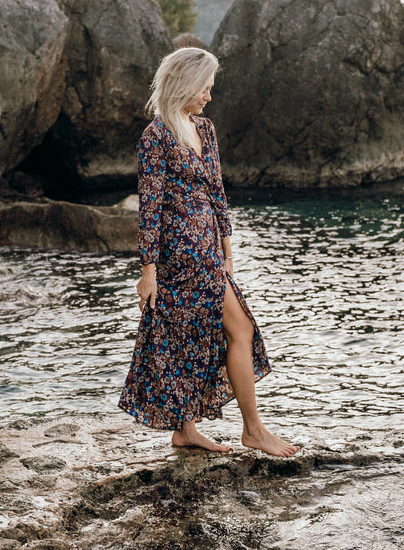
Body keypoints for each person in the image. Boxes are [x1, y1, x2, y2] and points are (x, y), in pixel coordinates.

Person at [118, 47, 300, 458]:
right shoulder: (156, 136)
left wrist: (228, 251)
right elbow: (150, 205)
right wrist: (148, 270)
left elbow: (217, 193)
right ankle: (247, 430)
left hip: (209, 253)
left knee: (217, 332)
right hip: (178, 256)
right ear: (184, 84)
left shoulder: (206, 129)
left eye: (211, 89)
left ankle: (192, 430)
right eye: (204, 88)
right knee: (214, 332)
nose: (209, 96)